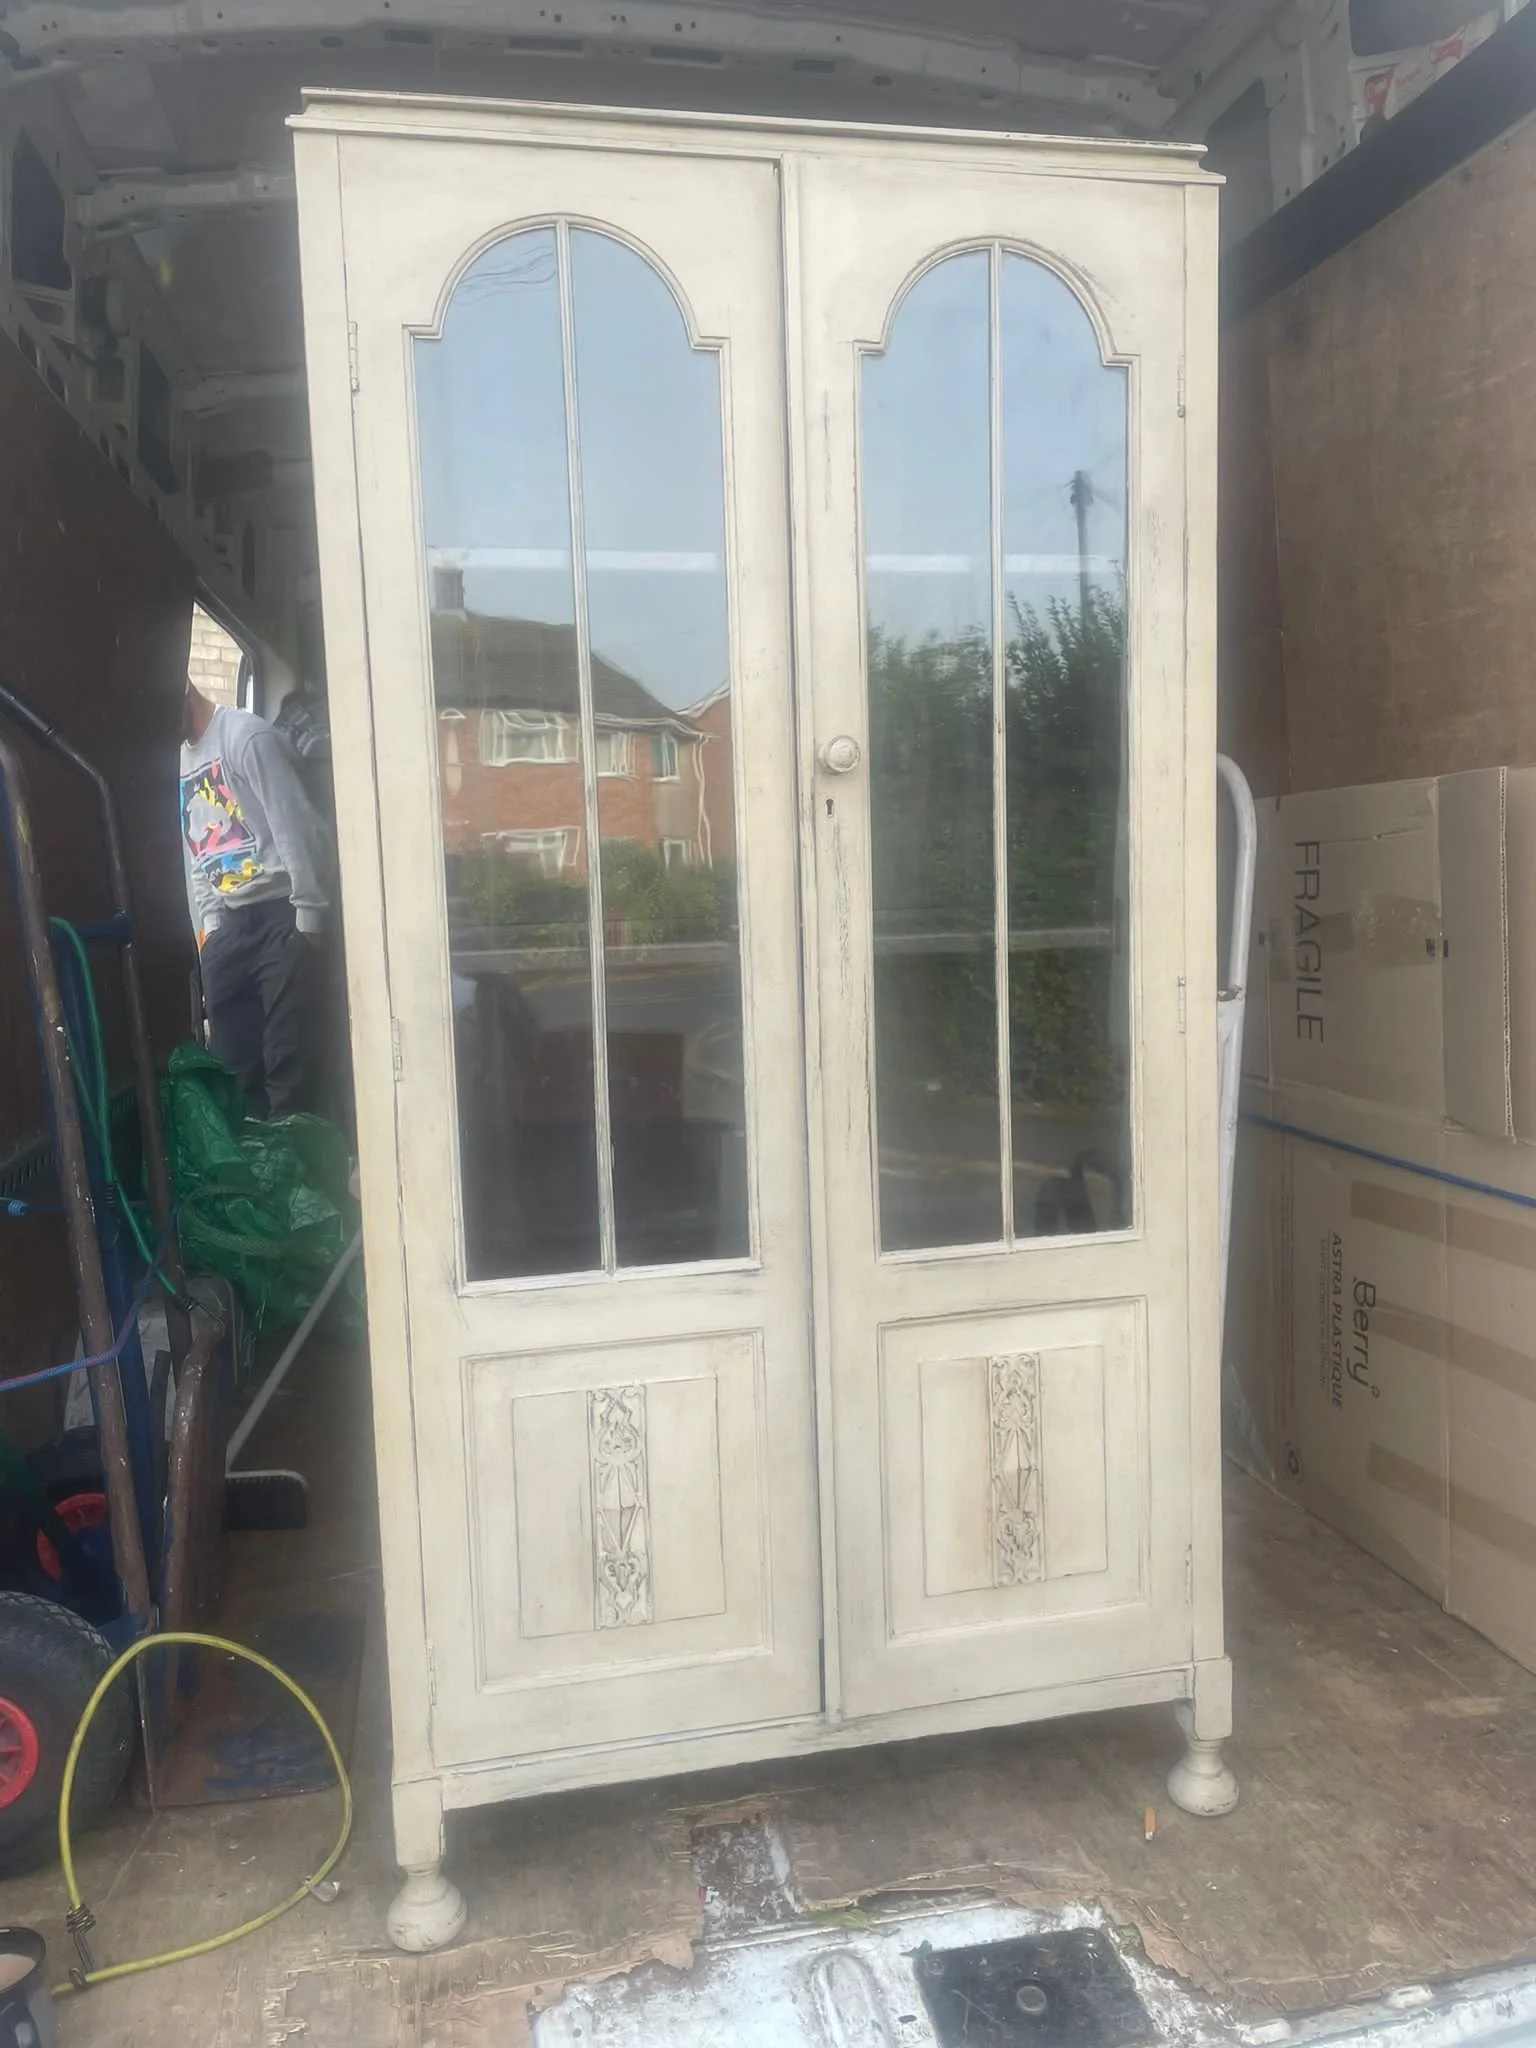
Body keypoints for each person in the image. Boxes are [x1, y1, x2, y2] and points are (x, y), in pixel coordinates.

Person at [180, 680, 335, 1119]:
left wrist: (308, 917)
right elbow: (198, 848)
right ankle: (257, 1174)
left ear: (182, 690)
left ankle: (299, 1175)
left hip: (282, 914)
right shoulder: (181, 760)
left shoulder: (246, 737)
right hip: (230, 926)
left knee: (288, 1066)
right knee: (234, 1071)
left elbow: (294, 825)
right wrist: (210, 928)